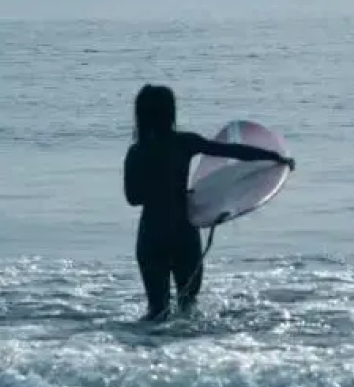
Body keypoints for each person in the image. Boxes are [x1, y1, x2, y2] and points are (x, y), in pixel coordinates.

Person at [123, 84, 293, 321]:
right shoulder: (184, 142)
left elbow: (133, 198)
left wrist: (157, 190)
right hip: (183, 231)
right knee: (188, 306)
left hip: (151, 234)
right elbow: (231, 151)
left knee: (157, 310)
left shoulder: (136, 152)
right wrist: (274, 157)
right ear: (170, 113)